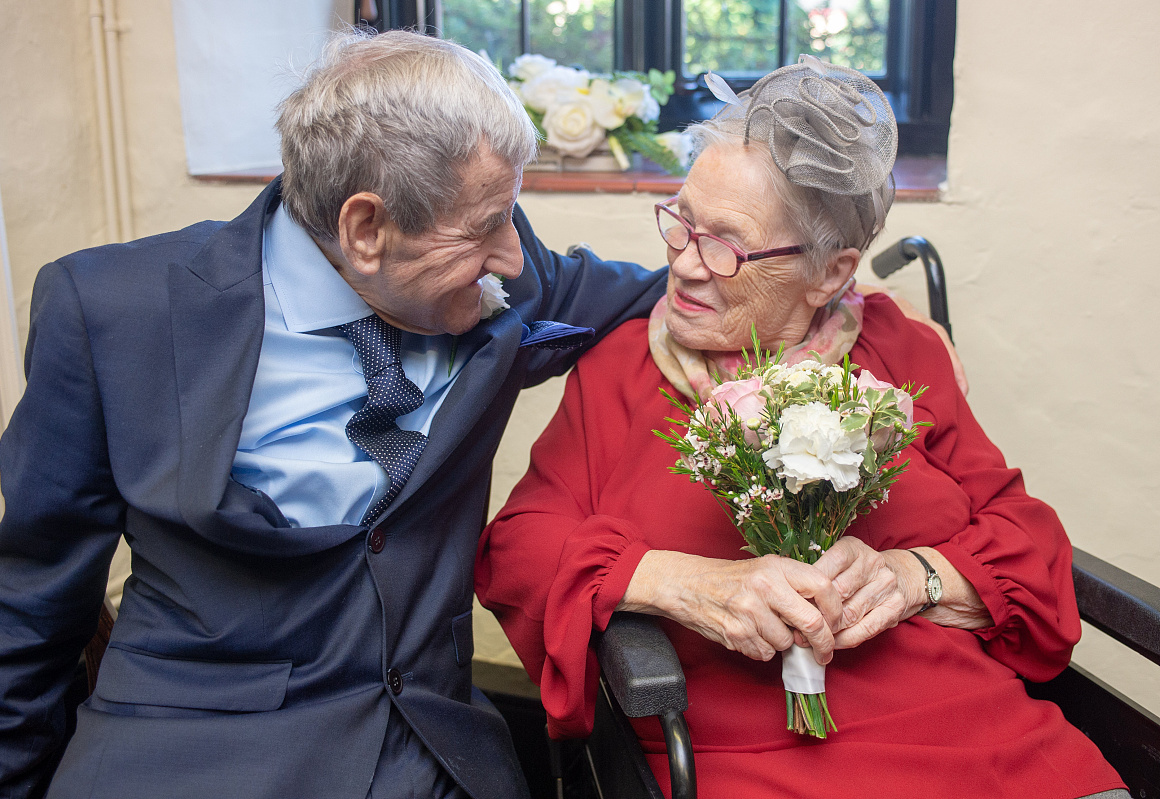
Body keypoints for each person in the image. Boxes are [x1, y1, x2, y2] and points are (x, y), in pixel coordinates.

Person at [0, 30, 671, 799]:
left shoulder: (494, 268)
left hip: (430, 753)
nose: (510, 255)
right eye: (485, 226)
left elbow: (670, 292)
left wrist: (815, 303)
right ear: (366, 230)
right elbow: (32, 609)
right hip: (187, 753)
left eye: (511, 213)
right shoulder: (112, 314)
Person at [476, 57, 1128, 798]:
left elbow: (1024, 536)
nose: (684, 265)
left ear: (830, 273)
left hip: (990, 747)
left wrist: (911, 576)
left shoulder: (901, 355)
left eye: (725, 245)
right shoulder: (624, 368)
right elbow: (520, 548)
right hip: (743, 762)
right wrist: (687, 583)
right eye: (680, 222)